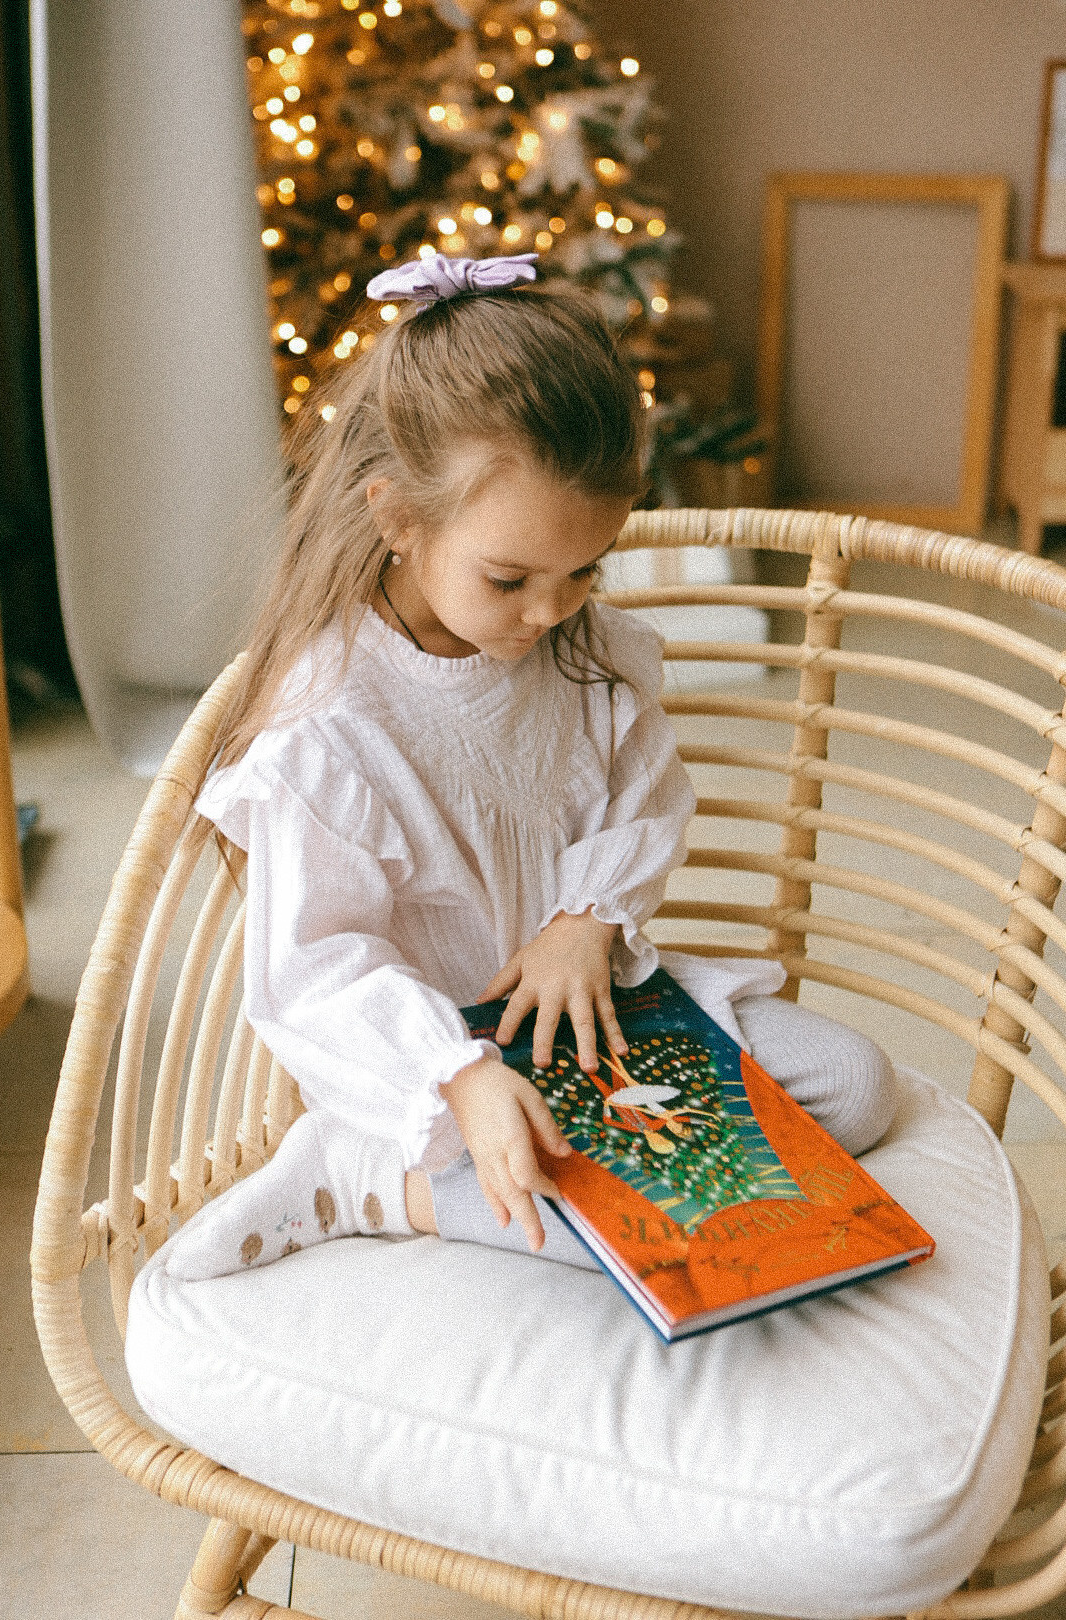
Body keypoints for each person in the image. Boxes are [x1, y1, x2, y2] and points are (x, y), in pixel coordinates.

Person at [168, 253, 897, 1283]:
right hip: (444, 1063)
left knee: (857, 1087)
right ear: (397, 518)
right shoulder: (327, 728)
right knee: (602, 1232)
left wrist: (586, 922)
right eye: (511, 578)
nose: (554, 611)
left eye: (586, 569)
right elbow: (315, 968)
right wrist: (457, 1075)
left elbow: (645, 791)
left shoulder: (582, 652)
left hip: (595, 1012)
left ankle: (580, 1157)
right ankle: (365, 1181)